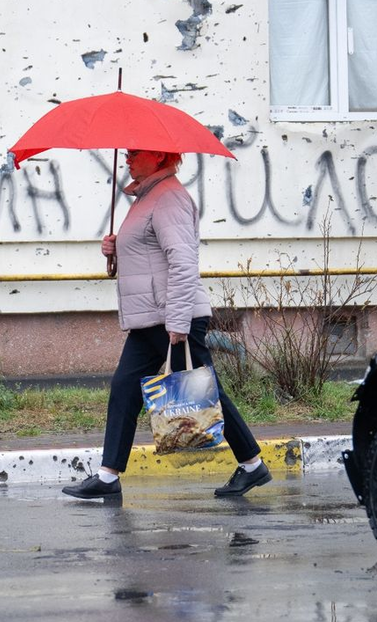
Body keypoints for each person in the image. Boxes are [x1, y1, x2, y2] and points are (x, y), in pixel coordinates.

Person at [62, 148, 270, 502]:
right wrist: (116, 250)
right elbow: (149, 253)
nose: (127, 159)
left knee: (205, 392)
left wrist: (178, 321)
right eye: (125, 154)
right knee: (125, 388)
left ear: (158, 157)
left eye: (134, 153)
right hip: (150, 318)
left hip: (171, 317)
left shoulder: (170, 197)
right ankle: (108, 475)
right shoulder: (146, 197)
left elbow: (184, 262)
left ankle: (252, 465)